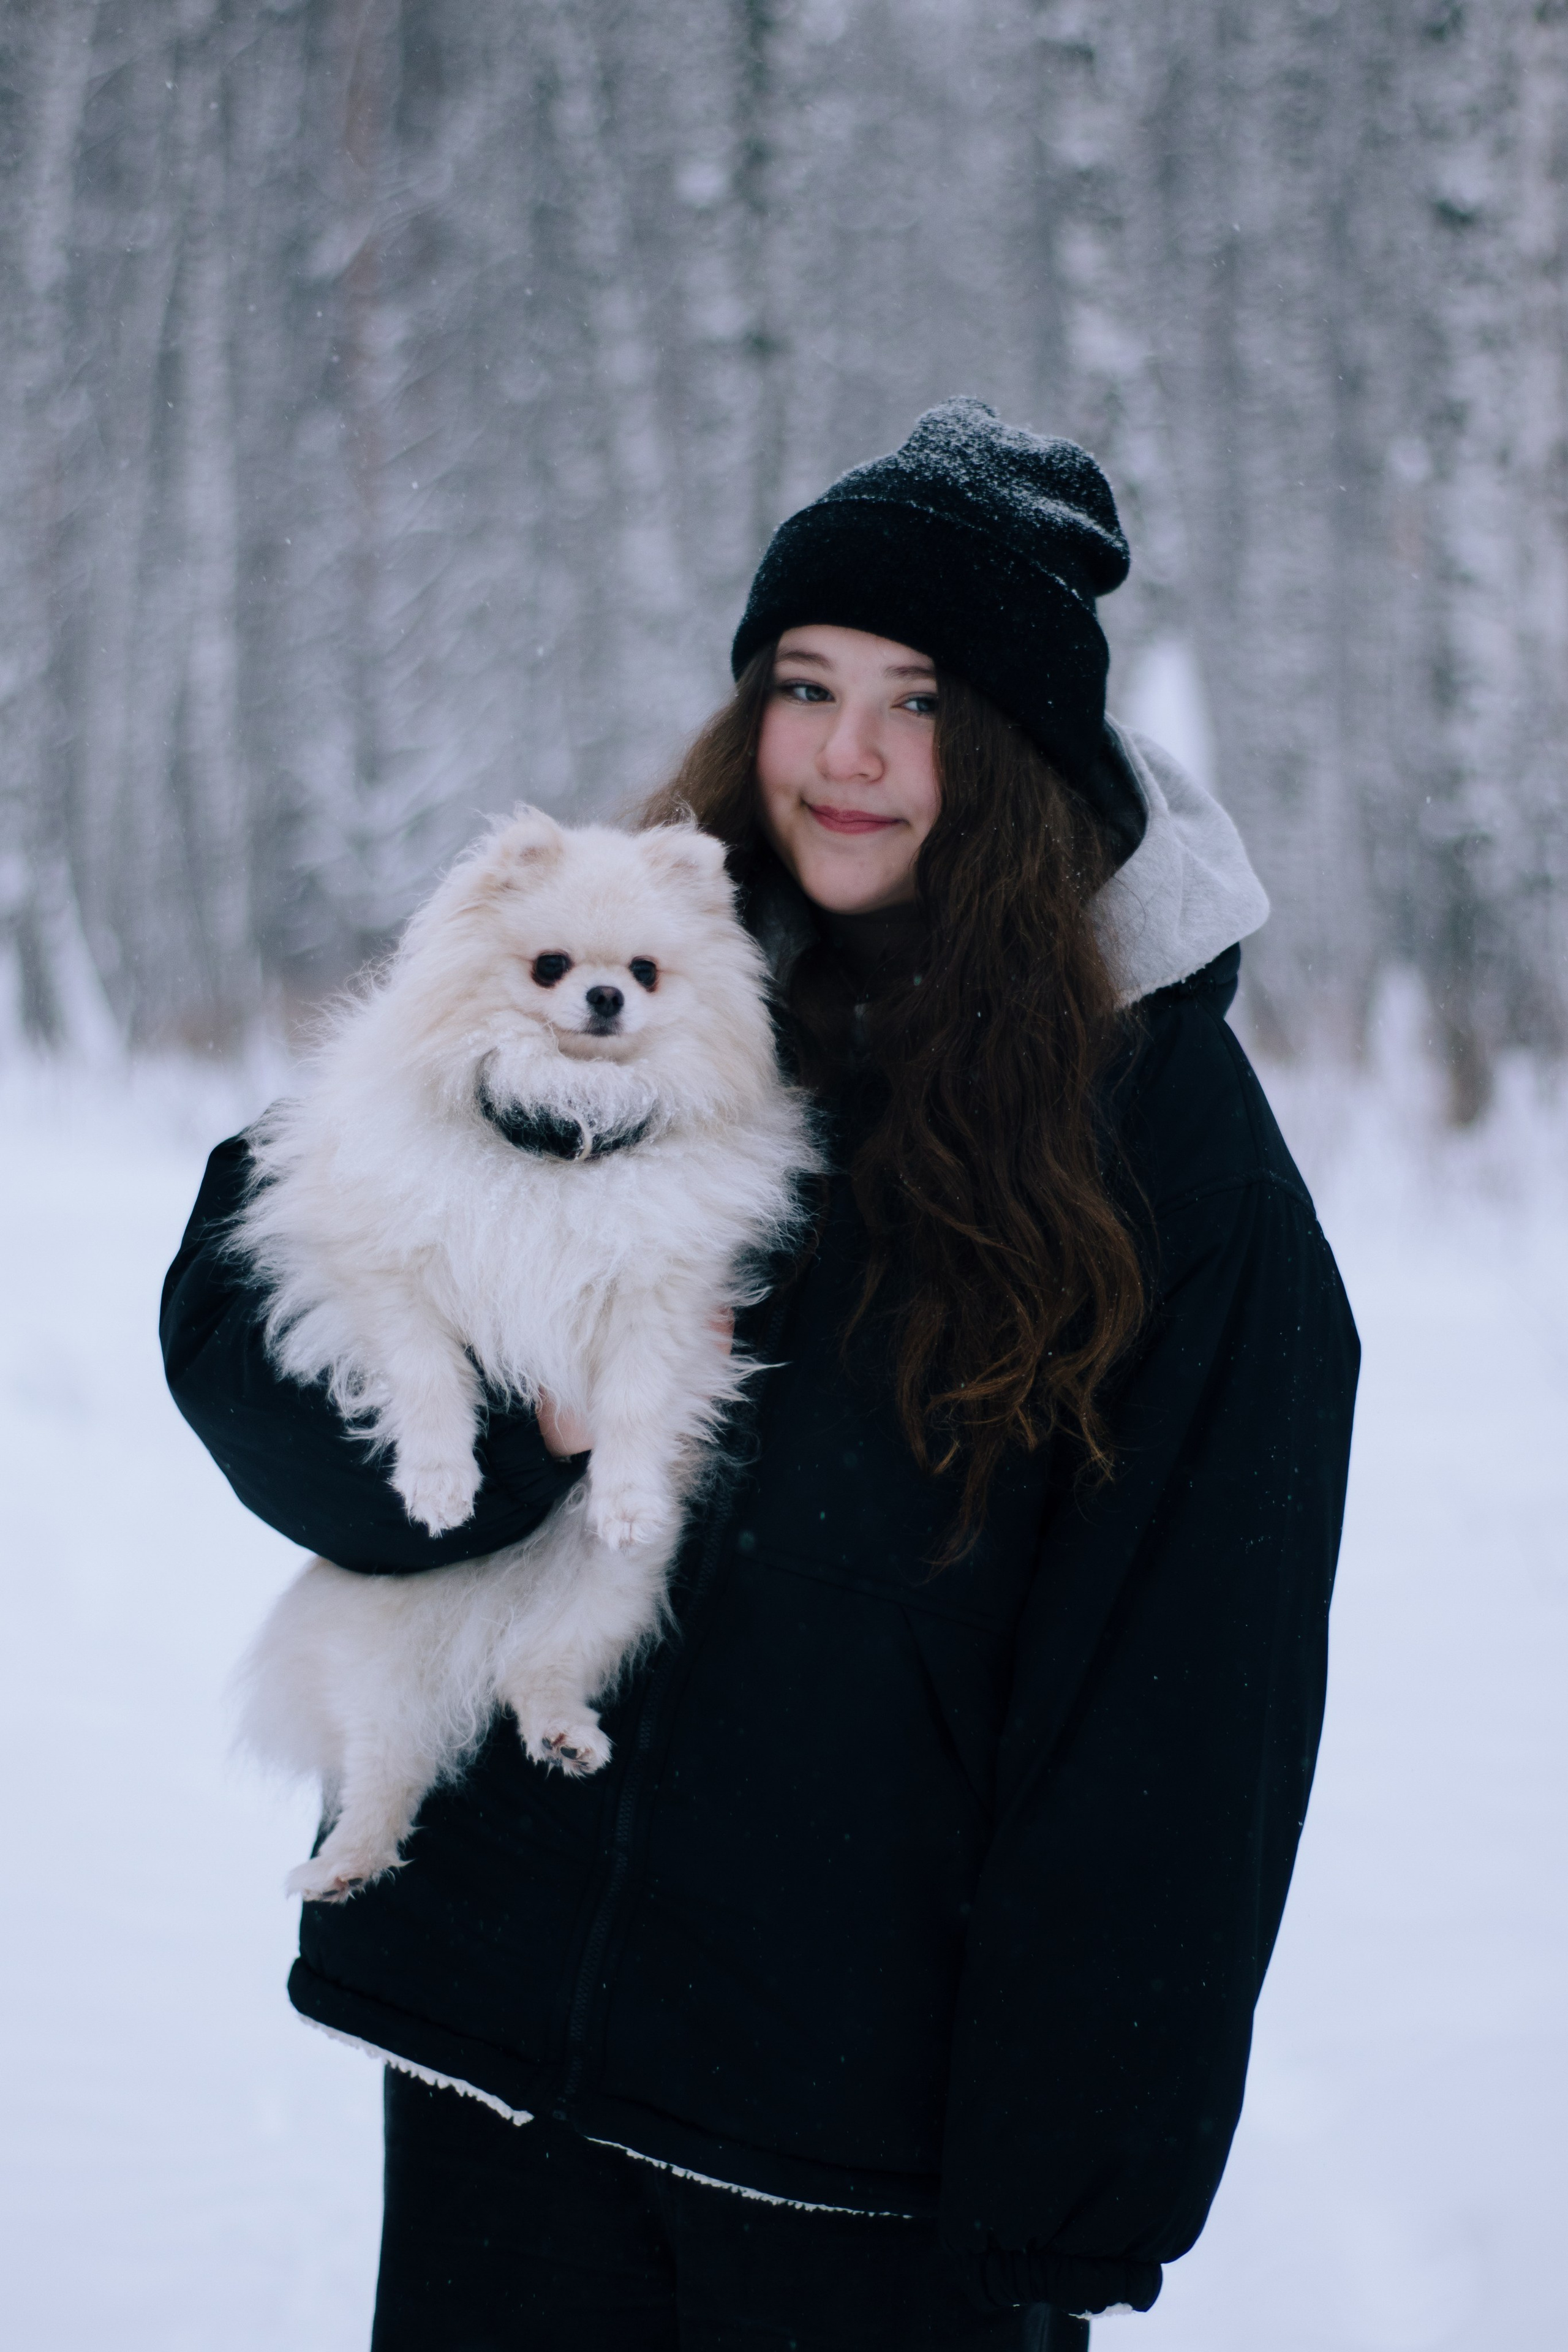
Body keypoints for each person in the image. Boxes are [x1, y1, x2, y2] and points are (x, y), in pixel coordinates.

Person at [162, 399, 1359, 2350]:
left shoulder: (1166, 1151)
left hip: (854, 2162)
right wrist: (536, 1431)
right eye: (808, 685)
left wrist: (1071, 2180)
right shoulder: (610, 963)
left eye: (926, 700)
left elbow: (1186, 1697)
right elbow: (255, 1306)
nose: (854, 755)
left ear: (1036, 755)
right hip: (500, 2079)